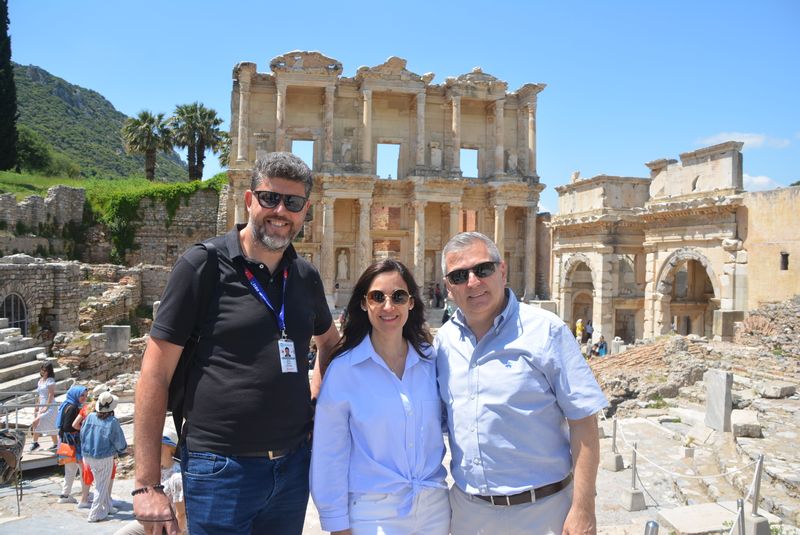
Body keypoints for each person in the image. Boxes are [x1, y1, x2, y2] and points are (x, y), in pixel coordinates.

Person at [134, 152, 340, 535]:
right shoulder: (203, 266)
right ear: (249, 200)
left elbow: (330, 343)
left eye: (292, 203)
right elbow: (154, 374)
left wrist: (316, 397)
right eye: (269, 198)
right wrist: (147, 484)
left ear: (305, 211)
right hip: (220, 470)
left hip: (292, 469)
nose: (280, 211)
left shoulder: (305, 277)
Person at [435, 232, 608, 534]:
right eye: (459, 276)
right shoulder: (444, 342)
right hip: (469, 513)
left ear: (502, 271)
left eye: (483, 269)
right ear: (449, 288)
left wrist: (583, 508)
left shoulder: (546, 331)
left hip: (543, 512)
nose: (473, 282)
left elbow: (583, 421)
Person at [311, 259, 449, 534]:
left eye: (398, 296)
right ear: (364, 303)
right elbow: (329, 453)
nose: (389, 306)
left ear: (411, 302)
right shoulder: (344, 370)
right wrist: (337, 524)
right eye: (377, 297)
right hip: (373, 513)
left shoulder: (432, 361)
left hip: (434, 509)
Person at [115, 428, 186, 535]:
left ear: (169, 447)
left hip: (171, 524)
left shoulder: (177, 476)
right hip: (154, 517)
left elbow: (181, 515)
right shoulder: (156, 470)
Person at [81, 391, 128, 522]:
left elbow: (82, 434)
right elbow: (120, 441)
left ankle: (108, 506)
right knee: (101, 485)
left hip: (88, 455)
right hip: (104, 456)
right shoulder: (112, 421)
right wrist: (123, 449)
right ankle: (94, 514)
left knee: (101, 481)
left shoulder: (90, 416)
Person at [56, 385, 91, 507]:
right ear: (76, 395)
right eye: (82, 395)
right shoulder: (73, 408)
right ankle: (85, 495)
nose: (84, 398)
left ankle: (65, 495)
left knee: (70, 470)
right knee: (83, 470)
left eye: (86, 396)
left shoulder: (66, 404)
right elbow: (68, 426)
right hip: (75, 445)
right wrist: (83, 429)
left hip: (67, 445)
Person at [29, 363, 58, 451]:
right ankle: (56, 444)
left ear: (49, 371)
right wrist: (37, 406)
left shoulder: (50, 380)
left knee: (36, 422)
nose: (43, 372)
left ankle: (34, 442)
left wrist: (46, 407)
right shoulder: (40, 380)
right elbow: (39, 395)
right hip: (42, 405)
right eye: (42, 369)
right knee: (48, 425)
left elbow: (51, 394)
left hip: (50, 406)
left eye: (45, 370)